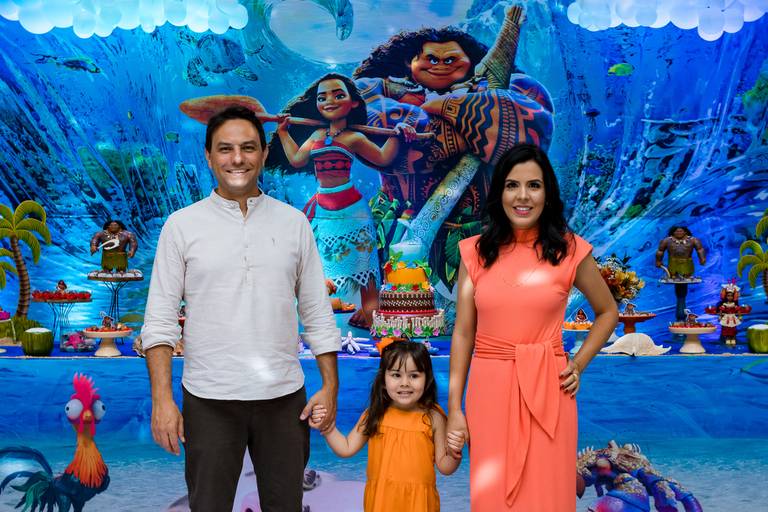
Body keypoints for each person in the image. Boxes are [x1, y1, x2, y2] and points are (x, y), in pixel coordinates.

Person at [141, 106, 340, 512]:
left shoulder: (293, 223)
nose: (237, 159)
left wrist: (330, 385)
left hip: (284, 399)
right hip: (208, 399)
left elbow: (317, 313)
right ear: (209, 156)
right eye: (225, 149)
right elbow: (159, 321)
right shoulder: (181, 225)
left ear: (264, 153)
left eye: (248, 148)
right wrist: (162, 400)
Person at [446, 144, 617, 511]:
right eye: (512, 185)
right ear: (499, 193)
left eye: (533, 185)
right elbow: (463, 332)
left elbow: (607, 312)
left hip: (550, 389)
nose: (522, 196)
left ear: (547, 193)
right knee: (491, 494)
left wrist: (578, 363)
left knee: (548, 494)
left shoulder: (571, 250)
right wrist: (455, 407)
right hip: (489, 391)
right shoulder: (473, 252)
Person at [270, 73, 415, 329]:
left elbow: (382, 158)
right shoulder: (316, 134)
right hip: (323, 211)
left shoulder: (354, 138)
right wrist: (282, 132)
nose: (329, 101)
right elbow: (297, 160)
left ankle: (373, 318)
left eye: (338, 95)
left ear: (354, 102)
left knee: (366, 271)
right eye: (322, 97)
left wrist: (398, 134)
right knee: (316, 266)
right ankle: (319, 320)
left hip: (352, 211)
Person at [310, 340, 465, 512]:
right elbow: (346, 448)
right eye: (396, 375)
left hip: (419, 504)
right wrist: (328, 427)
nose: (405, 383)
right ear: (384, 379)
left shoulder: (433, 417)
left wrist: (454, 451)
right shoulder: (375, 414)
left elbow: (445, 467)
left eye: (414, 376)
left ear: (427, 379)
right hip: (382, 502)